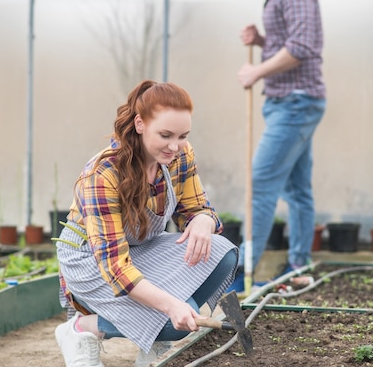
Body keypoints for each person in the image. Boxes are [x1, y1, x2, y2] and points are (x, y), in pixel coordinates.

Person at [54, 80, 238, 367]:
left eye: (183, 136)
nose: (174, 146)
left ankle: (154, 341)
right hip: (90, 259)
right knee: (174, 319)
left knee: (222, 252)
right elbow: (115, 267)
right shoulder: (103, 174)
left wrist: (203, 220)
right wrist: (170, 304)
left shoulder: (180, 155)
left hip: (142, 247)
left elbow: (198, 208)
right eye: (165, 135)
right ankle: (80, 329)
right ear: (140, 124)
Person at [228, 0, 326, 292]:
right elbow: (289, 43)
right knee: (298, 189)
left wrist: (257, 70)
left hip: (295, 103)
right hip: (294, 101)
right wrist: (262, 42)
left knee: (260, 183)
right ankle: (299, 267)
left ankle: (240, 275)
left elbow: (302, 47)